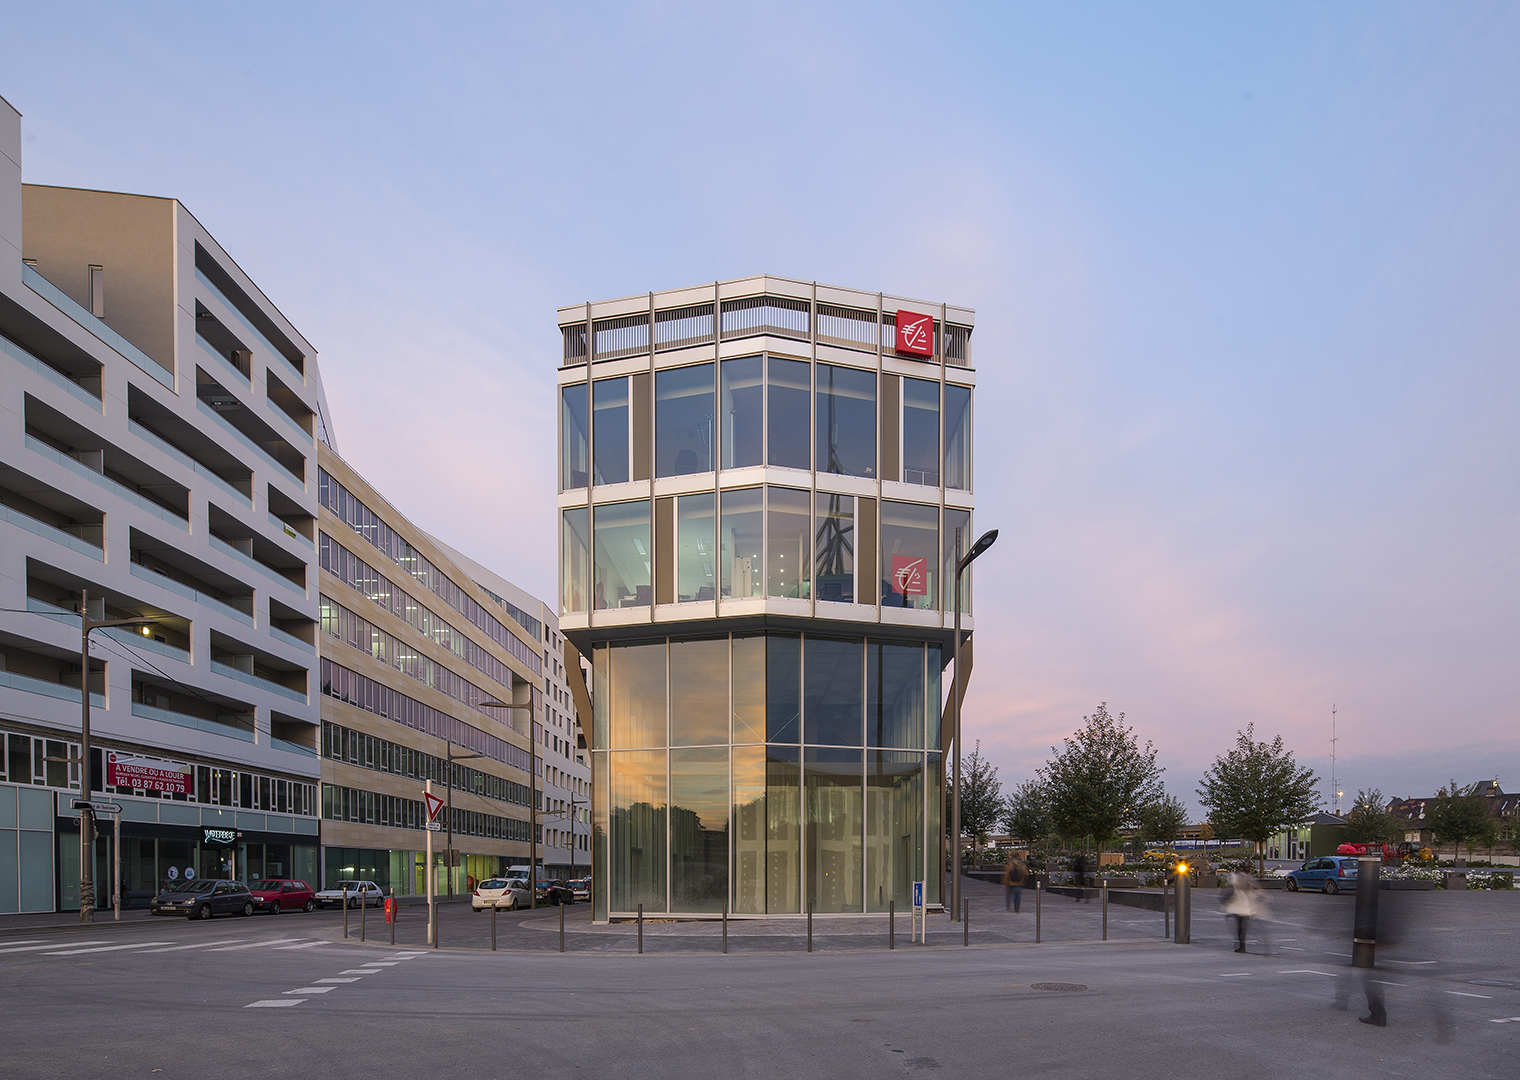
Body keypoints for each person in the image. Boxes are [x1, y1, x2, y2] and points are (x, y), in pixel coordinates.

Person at [1221, 871, 1259, 953]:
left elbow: (1231, 897)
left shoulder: (1237, 889)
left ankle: (1241, 946)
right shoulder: (1246, 889)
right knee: (1243, 928)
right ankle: (1242, 946)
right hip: (1246, 911)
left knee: (1239, 928)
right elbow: (1252, 896)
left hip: (1239, 911)